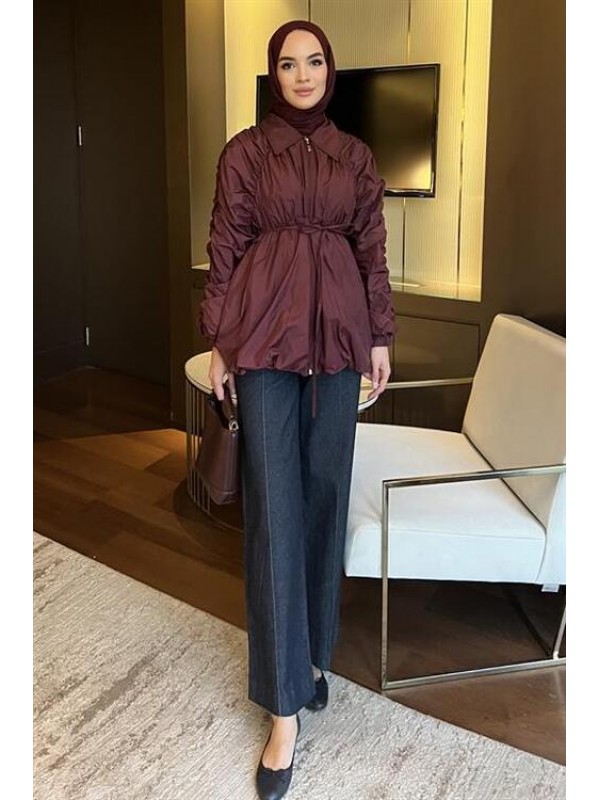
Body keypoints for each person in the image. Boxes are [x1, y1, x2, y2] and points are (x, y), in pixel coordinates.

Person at [198, 19, 397, 800]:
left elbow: (372, 248)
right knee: (276, 517)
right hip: (263, 344)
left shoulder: (356, 157)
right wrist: (220, 339)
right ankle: (283, 712)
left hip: (340, 346)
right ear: (273, 74)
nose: (304, 74)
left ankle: (312, 659)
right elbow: (225, 245)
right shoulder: (246, 153)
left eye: (314, 61)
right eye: (289, 63)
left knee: (323, 501)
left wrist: (379, 335)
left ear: (330, 70)